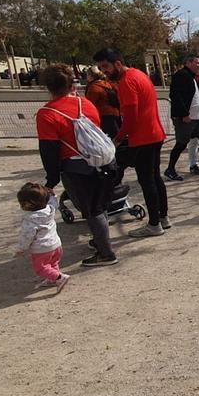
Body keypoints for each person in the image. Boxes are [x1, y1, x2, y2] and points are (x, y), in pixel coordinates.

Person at [35, 63, 119, 267]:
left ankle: (106, 253)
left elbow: (49, 150)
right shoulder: (85, 104)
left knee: (91, 210)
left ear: (48, 86)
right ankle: (101, 240)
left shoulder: (47, 114)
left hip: (77, 168)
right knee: (100, 205)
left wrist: (51, 179)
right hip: (104, 162)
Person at [94, 47, 169, 238]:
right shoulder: (138, 74)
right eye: (101, 68)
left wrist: (117, 139)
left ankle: (154, 224)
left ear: (117, 63)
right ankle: (162, 217)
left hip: (143, 137)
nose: (104, 72)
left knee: (147, 180)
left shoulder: (127, 82)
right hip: (154, 134)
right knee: (155, 177)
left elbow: (131, 117)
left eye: (106, 67)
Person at [164, 56, 199, 182]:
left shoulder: (192, 77)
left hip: (197, 117)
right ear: (188, 63)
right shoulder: (181, 75)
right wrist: (184, 114)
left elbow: (196, 95)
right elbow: (175, 96)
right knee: (181, 144)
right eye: (196, 62)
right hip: (186, 118)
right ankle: (170, 169)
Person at [16, 182, 69, 292]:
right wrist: (53, 195)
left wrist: (21, 249)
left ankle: (59, 277)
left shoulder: (30, 219)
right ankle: (52, 279)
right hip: (56, 244)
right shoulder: (50, 209)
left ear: (27, 204)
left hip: (42, 249)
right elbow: (54, 202)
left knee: (40, 268)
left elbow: (27, 236)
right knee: (52, 263)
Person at [84, 67, 122, 139]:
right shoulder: (106, 84)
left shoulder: (94, 87)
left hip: (104, 115)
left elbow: (90, 104)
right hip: (115, 112)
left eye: (87, 75)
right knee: (116, 135)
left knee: (108, 138)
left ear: (91, 76)